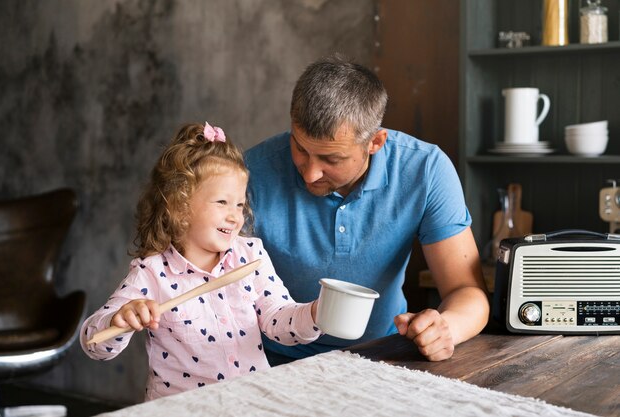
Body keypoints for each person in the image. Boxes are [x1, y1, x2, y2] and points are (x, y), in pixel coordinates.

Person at [244, 54, 489, 364]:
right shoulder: (250, 172)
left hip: (383, 355)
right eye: (300, 149)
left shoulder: (425, 169)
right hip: (271, 359)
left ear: (375, 142)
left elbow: (467, 290)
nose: (309, 174)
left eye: (331, 160)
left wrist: (447, 328)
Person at [80, 122, 321, 400]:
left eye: (240, 204)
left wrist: (316, 314)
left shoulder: (250, 255)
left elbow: (278, 320)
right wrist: (120, 319)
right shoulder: (153, 273)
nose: (235, 216)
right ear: (179, 206)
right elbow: (93, 344)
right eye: (221, 202)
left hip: (248, 403)